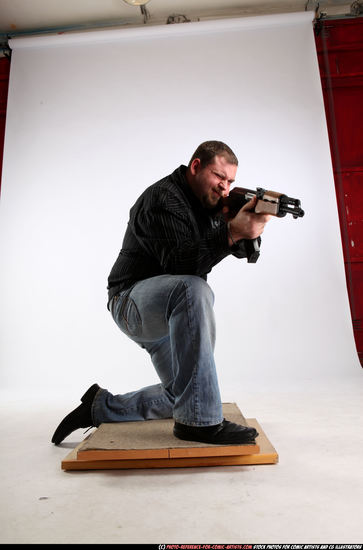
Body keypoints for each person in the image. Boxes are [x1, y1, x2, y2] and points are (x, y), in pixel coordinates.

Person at [51, 141, 271, 446]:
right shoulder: (163, 198)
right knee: (194, 288)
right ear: (195, 166)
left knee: (184, 394)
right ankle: (201, 425)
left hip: (173, 310)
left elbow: (227, 251)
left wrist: (245, 228)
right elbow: (182, 265)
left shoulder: (209, 204)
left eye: (230, 181)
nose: (224, 187)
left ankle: (98, 407)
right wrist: (232, 231)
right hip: (131, 303)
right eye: (218, 176)